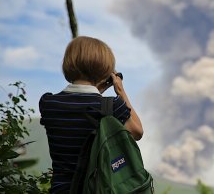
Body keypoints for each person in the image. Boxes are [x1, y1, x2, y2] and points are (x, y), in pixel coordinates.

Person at [39, 36, 143, 193]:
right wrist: (120, 91)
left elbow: (79, 104)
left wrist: (95, 91)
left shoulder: (48, 104)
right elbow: (137, 132)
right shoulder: (112, 106)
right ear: (106, 71)